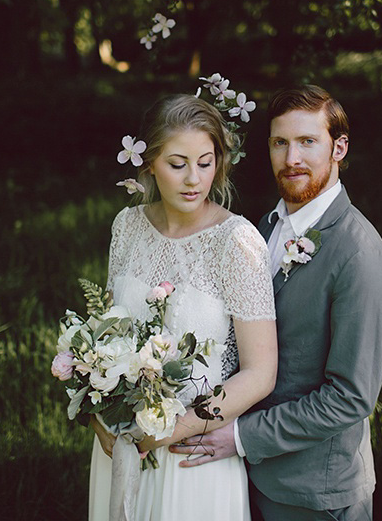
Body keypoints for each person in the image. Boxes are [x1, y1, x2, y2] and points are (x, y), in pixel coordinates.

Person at [169, 85, 382, 521]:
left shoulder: (362, 260)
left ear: (340, 147)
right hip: (247, 480)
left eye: (307, 142)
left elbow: (349, 399)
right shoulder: (266, 227)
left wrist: (240, 436)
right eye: (280, 143)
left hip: (314, 492)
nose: (291, 158)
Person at [88, 94, 278, 521]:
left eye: (206, 162)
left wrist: (174, 430)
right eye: (177, 164)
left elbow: (261, 373)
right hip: (118, 446)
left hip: (192, 454)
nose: (194, 178)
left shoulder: (237, 242)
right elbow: (106, 336)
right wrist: (96, 415)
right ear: (149, 162)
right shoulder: (127, 226)